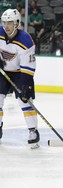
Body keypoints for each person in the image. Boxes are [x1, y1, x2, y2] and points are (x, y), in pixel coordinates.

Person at [0, 9, 40, 148]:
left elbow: (28, 67)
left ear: (17, 23)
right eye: (4, 22)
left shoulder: (25, 40)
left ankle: (33, 131)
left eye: (10, 22)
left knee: (25, 100)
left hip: (20, 73)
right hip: (3, 71)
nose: (6, 26)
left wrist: (25, 85)